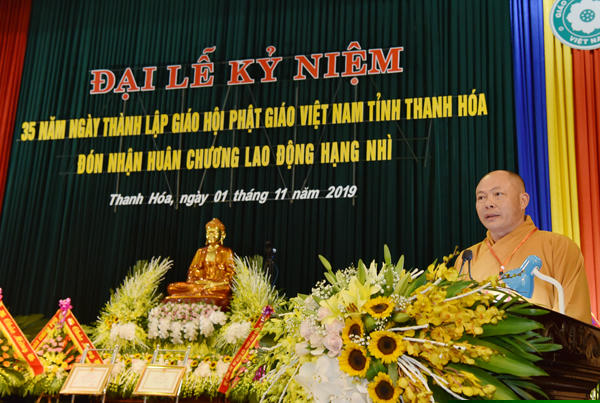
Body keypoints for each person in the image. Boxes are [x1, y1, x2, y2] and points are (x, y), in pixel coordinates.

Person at [455, 170, 592, 323]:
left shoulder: (559, 247)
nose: (488, 203)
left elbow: (573, 321)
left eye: (498, 194)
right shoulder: (467, 258)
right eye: (481, 197)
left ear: (523, 201)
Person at [165, 218, 235, 307]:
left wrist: (214, 283)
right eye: (208, 232)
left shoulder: (226, 252)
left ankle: (199, 293)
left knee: (225, 289)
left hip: (215, 286)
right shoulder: (200, 252)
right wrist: (199, 281)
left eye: (214, 232)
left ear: (223, 235)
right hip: (199, 285)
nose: (211, 235)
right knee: (172, 287)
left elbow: (231, 274)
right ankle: (199, 293)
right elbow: (192, 272)